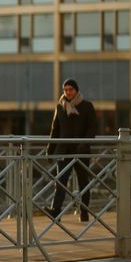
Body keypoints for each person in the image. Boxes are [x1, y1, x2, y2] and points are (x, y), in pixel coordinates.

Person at [47, 78, 97, 222]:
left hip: (81, 151)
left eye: (71, 89)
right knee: (60, 181)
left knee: (83, 182)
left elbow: (92, 128)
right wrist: (50, 149)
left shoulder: (87, 106)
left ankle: (84, 211)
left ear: (76, 90)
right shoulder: (60, 107)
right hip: (63, 150)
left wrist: (85, 143)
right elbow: (55, 129)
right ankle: (56, 211)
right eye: (66, 90)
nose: (68, 92)